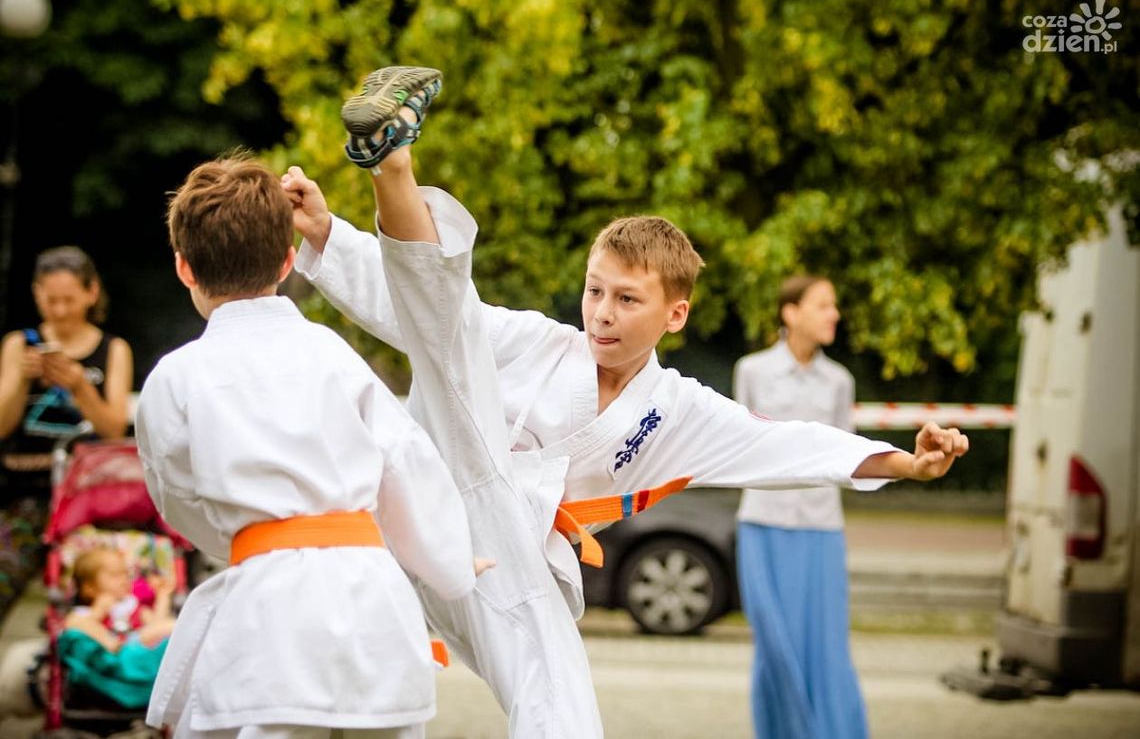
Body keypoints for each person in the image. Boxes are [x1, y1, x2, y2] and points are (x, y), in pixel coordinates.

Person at [285, 65, 969, 734]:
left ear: (675, 316)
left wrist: (907, 465)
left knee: (562, 711)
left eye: (627, 299)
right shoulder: (540, 342)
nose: (602, 313)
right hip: (426, 486)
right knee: (453, 324)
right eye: (595, 291)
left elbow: (787, 442)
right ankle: (390, 160)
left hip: (510, 554)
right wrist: (324, 233)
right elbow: (416, 313)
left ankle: (392, 163)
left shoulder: (679, 410)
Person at [135, 152, 484, 739]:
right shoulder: (329, 353)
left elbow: (177, 496)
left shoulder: (177, 376)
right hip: (375, 601)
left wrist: (247, 533)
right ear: (289, 259)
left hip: (268, 613)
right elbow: (405, 461)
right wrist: (450, 565)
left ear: (184, 269)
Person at [734, 275, 867, 738]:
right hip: (763, 525)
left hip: (821, 530)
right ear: (791, 313)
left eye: (834, 306)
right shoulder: (751, 371)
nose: (834, 314)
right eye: (823, 305)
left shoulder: (839, 381)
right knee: (774, 645)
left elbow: (849, 457)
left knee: (826, 645)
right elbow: (740, 446)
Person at [0, 246, 133, 621]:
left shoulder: (113, 349)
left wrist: (79, 386)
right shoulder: (18, 344)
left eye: (69, 300)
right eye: (51, 299)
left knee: (95, 593)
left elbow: (113, 429)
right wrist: (20, 382)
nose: (59, 310)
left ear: (91, 294)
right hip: (23, 492)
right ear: (37, 293)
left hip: (88, 497)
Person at [65, 546, 176, 652]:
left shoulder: (131, 604)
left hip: (132, 645)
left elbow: (156, 625)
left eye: (126, 574)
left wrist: (163, 597)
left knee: (168, 625)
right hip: (106, 647)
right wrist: (99, 611)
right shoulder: (84, 612)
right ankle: (112, 644)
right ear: (90, 588)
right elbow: (77, 627)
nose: (124, 580)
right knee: (74, 621)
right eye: (115, 575)